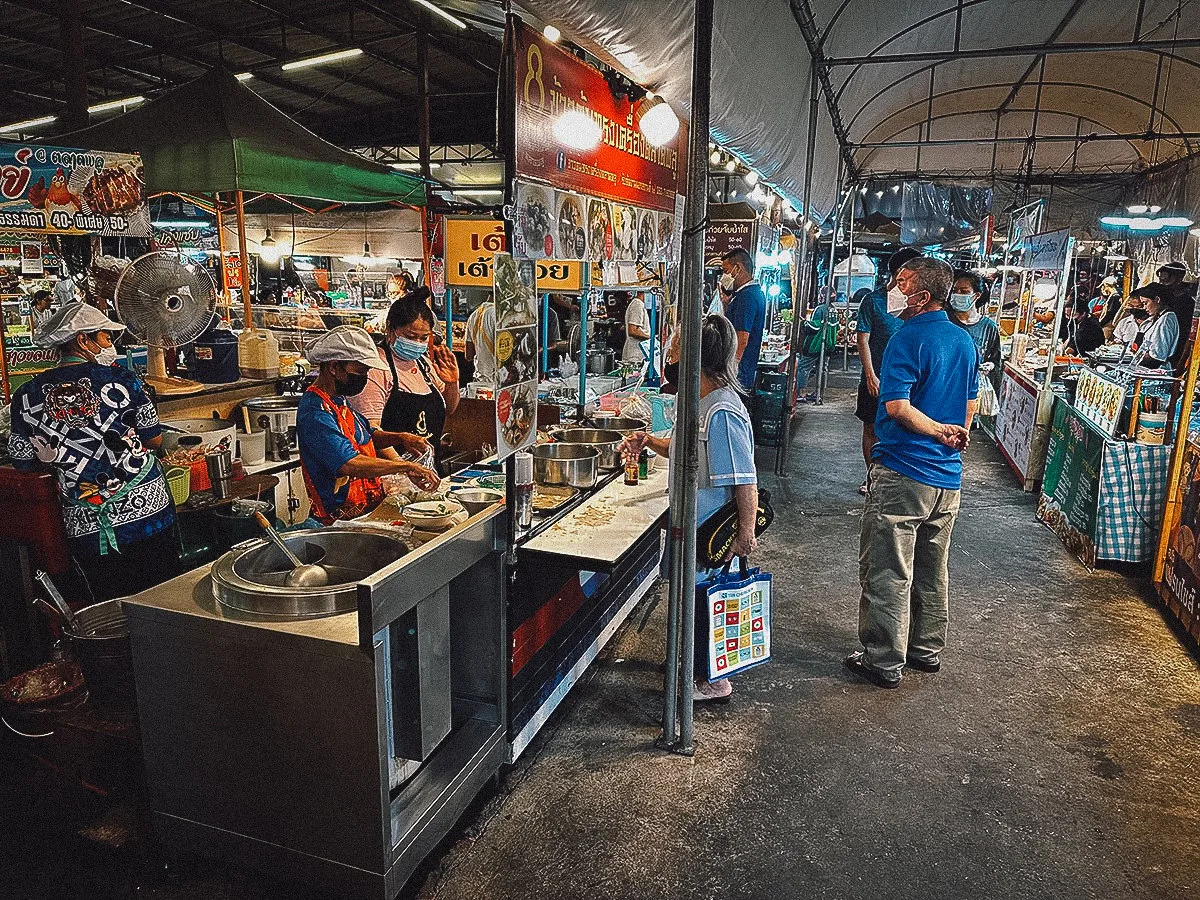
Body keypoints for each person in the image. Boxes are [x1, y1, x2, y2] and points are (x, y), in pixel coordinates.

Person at [847, 257, 978, 689]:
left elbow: (897, 408)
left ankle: (883, 660)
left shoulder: (906, 339)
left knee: (888, 570)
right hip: (947, 481)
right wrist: (955, 435)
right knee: (931, 568)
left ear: (922, 297)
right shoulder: (964, 342)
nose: (893, 288)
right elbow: (970, 404)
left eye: (902, 283)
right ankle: (926, 650)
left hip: (905, 472)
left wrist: (939, 431)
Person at [621, 315, 757, 702]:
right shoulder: (697, 402)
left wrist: (745, 532)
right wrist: (647, 440)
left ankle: (714, 682)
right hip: (691, 522)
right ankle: (694, 666)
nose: (668, 351)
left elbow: (744, 477)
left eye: (675, 346)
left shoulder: (722, 412)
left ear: (694, 356)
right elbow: (685, 449)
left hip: (711, 527)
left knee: (704, 604)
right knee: (691, 598)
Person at [7, 303, 181, 604]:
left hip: (86, 524)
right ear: (82, 340)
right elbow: (154, 439)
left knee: (111, 610)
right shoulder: (124, 380)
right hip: (147, 516)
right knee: (163, 604)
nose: (108, 345)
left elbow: (24, 463)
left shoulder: (26, 396)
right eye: (104, 337)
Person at [299, 326, 440, 525]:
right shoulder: (315, 412)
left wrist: (401, 437)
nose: (364, 378)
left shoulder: (339, 401)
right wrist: (406, 466)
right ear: (334, 367)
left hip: (362, 515)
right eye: (360, 371)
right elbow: (350, 463)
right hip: (334, 523)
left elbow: (367, 436)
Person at [347, 289, 460, 450]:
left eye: (423, 338)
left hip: (427, 467)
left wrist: (452, 383)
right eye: (411, 337)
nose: (417, 343)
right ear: (390, 329)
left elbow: (449, 408)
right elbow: (369, 433)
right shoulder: (376, 369)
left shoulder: (424, 364)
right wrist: (403, 468)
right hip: (389, 470)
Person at [855, 247, 922, 494]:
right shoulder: (873, 301)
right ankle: (872, 476)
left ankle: (894, 476)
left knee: (901, 427)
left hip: (907, 380)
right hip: (876, 376)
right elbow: (863, 339)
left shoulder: (917, 304)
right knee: (872, 427)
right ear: (899, 274)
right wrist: (871, 375)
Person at [719, 248, 767, 392]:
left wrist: (731, 371)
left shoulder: (747, 297)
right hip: (745, 371)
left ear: (738, 268)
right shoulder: (753, 293)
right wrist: (727, 304)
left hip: (738, 375)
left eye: (726, 270)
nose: (723, 276)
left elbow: (742, 338)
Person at [949, 272, 1002, 397]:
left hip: (973, 391)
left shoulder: (989, 327)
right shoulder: (945, 321)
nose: (957, 294)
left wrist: (990, 365)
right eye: (955, 290)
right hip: (946, 387)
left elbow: (995, 360)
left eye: (964, 291)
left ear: (976, 295)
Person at [794, 298, 834, 402]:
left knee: (804, 368)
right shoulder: (833, 310)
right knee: (822, 369)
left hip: (815, 344)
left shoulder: (819, 309)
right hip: (828, 344)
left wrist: (804, 322)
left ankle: (802, 394)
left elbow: (815, 327)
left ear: (822, 296)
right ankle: (819, 394)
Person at [1135, 286, 1180, 370]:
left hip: (1158, 370)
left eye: (1145, 303)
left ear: (1157, 299)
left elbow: (1157, 355)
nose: (1144, 308)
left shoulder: (1167, 318)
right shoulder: (1158, 317)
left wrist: (1136, 356)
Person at [464, 296, 497, 383]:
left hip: (480, 377)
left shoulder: (473, 315)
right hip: (497, 379)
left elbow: (468, 355)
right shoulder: (498, 315)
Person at [623, 291, 653, 364]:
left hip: (639, 355)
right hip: (635, 356)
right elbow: (633, 331)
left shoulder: (640, 305)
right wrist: (651, 338)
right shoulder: (637, 304)